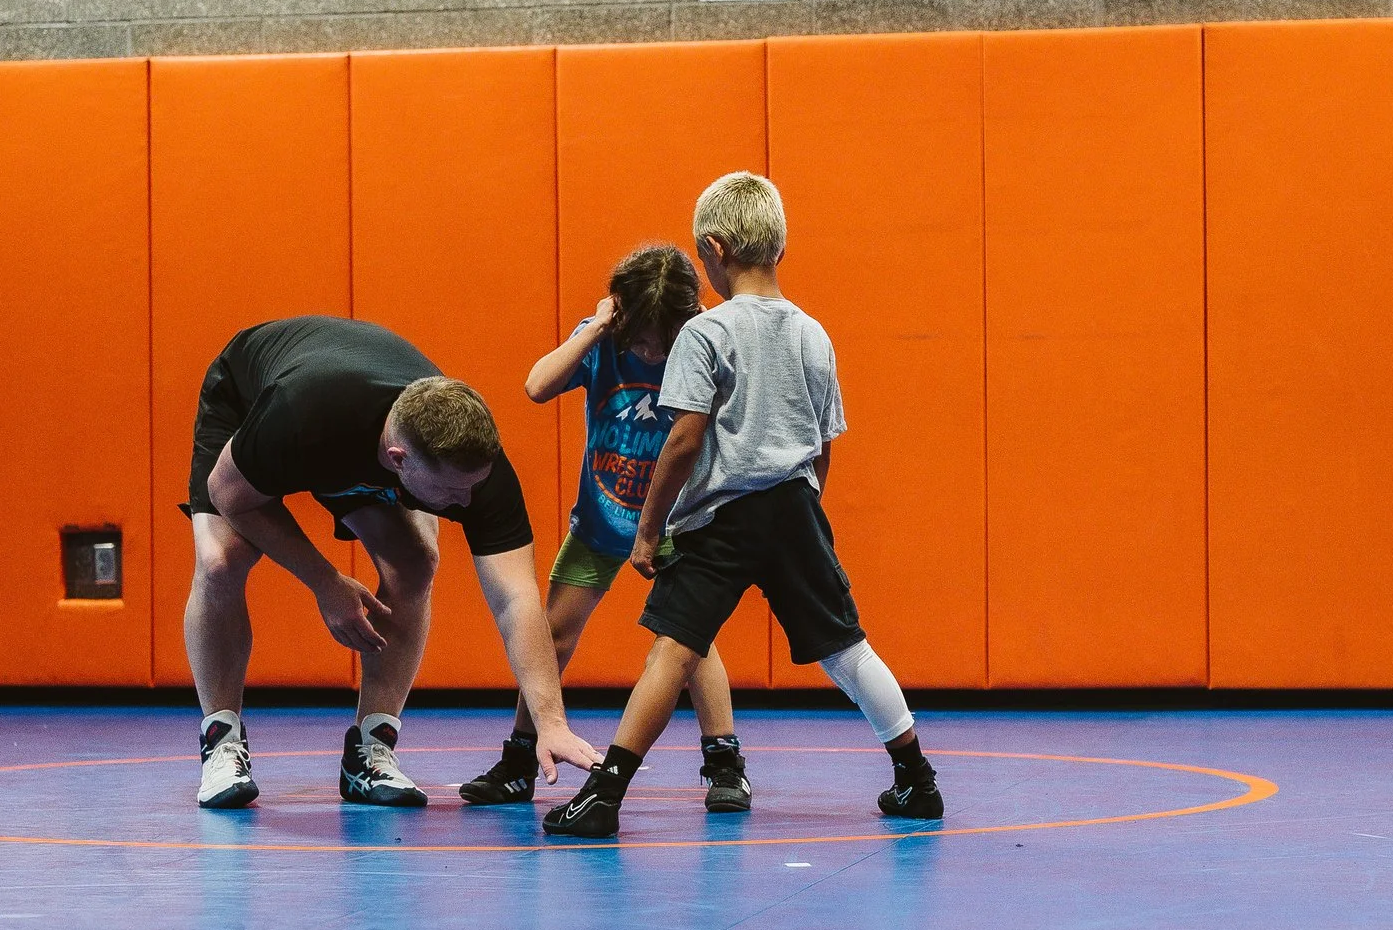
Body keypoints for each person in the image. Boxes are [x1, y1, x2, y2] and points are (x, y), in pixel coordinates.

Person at [540, 172, 945, 839]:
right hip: (793, 507)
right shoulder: (814, 333)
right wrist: (808, 504)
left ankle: (604, 796)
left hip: (721, 518)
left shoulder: (706, 334)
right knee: (847, 649)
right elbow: (823, 443)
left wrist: (648, 531)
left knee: (673, 652)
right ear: (780, 248)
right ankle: (918, 779)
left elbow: (683, 440)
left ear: (713, 248)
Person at [182, 316, 597, 809]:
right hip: (256, 405)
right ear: (400, 460)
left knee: (416, 562)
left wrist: (550, 721)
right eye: (450, 492)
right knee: (220, 560)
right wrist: (325, 581)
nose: (465, 503)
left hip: (353, 437)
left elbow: (516, 598)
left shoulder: (478, 473)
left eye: (472, 486)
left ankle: (371, 750)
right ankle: (222, 740)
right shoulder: (303, 416)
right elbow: (227, 493)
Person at [458, 245, 747, 810]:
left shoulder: (704, 344)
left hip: (676, 523)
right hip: (602, 519)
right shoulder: (604, 343)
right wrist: (596, 329)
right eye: (639, 341)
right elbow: (537, 386)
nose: (649, 353)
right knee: (550, 637)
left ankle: (725, 765)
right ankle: (521, 757)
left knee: (689, 645)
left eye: (661, 344)